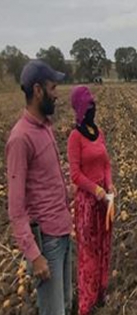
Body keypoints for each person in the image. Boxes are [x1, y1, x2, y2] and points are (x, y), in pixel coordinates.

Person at [6, 60, 73, 314]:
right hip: (47, 245)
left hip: (63, 233)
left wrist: (69, 193)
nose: (57, 94)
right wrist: (34, 255)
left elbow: (46, 182)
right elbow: (15, 208)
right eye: (53, 87)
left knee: (66, 304)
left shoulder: (45, 127)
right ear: (38, 90)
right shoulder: (20, 139)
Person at [68, 86, 115, 314]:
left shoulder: (98, 131)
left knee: (104, 247)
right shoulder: (75, 137)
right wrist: (96, 189)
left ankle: (101, 294)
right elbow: (75, 174)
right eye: (88, 104)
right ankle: (85, 304)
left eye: (93, 103)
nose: (92, 107)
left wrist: (109, 184)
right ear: (80, 108)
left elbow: (106, 162)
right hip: (88, 204)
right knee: (89, 253)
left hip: (104, 202)